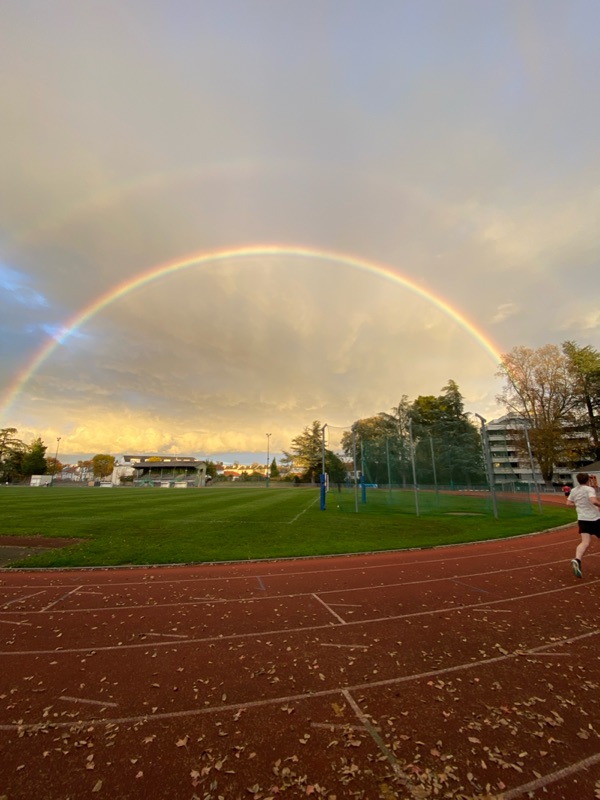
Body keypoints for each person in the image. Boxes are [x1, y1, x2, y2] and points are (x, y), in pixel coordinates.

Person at [567, 472, 600, 578]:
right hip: (594, 519)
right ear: (588, 480)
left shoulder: (574, 490)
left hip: (582, 519)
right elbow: (593, 501)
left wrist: (579, 504)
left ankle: (577, 559)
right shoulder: (589, 489)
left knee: (585, 542)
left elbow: (568, 503)